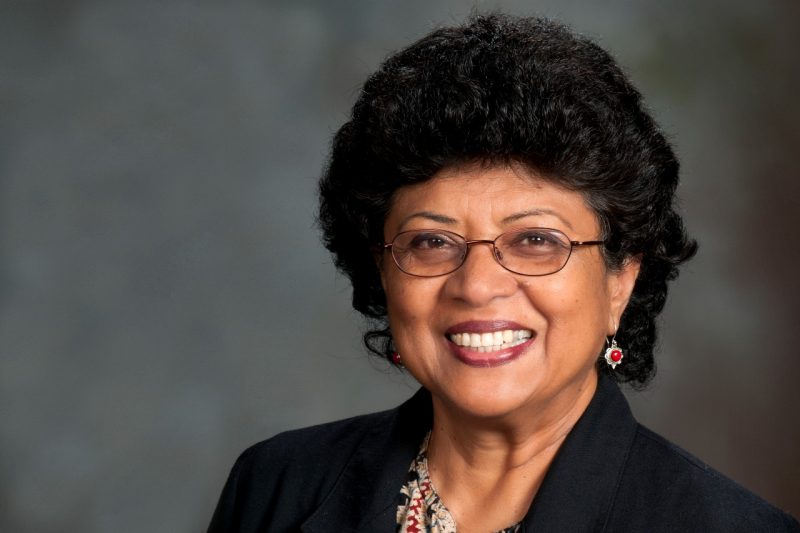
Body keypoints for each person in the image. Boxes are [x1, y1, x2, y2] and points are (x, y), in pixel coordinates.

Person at [208, 14, 799, 532]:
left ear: (621, 280)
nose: (477, 285)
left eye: (537, 241)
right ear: (382, 274)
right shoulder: (274, 487)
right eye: (433, 242)